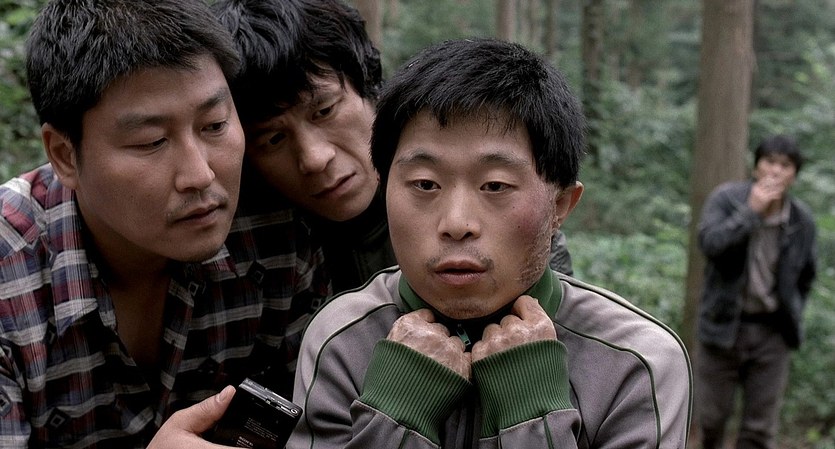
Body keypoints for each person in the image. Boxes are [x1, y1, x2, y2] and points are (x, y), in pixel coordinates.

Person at [289, 38, 692, 449]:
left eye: (495, 186)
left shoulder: (633, 364)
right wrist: (396, 416)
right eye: (425, 184)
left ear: (560, 205)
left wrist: (532, 413)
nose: (456, 224)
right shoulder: (342, 341)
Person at [0, 0, 327, 447]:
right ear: (64, 155)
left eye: (214, 125)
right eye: (151, 141)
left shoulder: (275, 229)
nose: (200, 175)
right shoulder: (9, 275)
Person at [212, 0, 574, 295]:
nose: (315, 158)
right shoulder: (243, 241)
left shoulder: (476, 192)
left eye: (325, 111)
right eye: (274, 139)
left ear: (370, 86)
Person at [695, 135, 817, 449]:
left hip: (772, 333)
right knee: (711, 421)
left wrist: (793, 311)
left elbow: (806, 276)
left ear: (794, 175)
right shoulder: (727, 199)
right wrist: (751, 213)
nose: (776, 171)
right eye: (770, 162)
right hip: (722, 326)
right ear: (756, 167)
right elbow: (710, 245)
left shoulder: (801, 220)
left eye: (785, 165)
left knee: (759, 430)